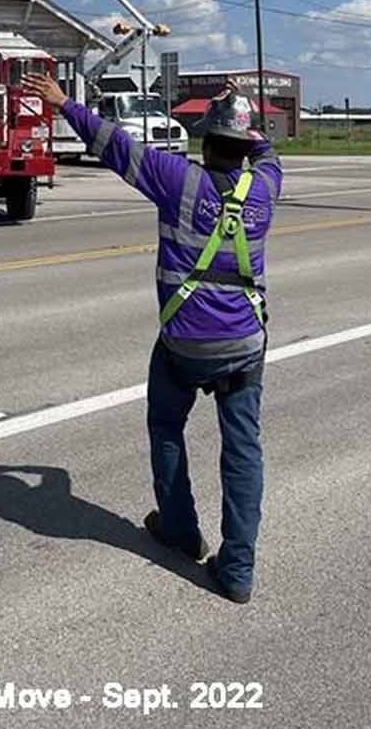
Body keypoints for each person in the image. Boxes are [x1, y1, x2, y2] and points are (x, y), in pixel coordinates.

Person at [22, 73, 282, 603]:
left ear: (204, 142)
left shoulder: (176, 180)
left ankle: (181, 530)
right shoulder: (267, 188)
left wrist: (65, 104)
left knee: (167, 425)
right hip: (244, 343)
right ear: (247, 146)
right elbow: (269, 153)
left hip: (186, 342)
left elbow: (115, 145)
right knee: (243, 451)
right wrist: (243, 107)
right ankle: (237, 570)